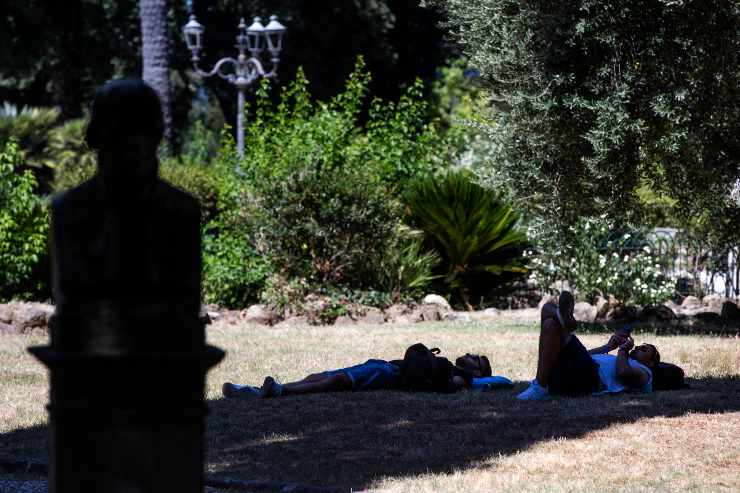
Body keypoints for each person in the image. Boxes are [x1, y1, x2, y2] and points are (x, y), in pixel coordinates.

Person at [517, 291, 660, 400]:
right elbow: (587, 356)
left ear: (651, 362)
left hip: (588, 379)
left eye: (644, 349)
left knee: (549, 313)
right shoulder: (623, 359)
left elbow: (622, 372)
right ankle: (563, 319)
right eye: (640, 346)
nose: (637, 348)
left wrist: (623, 350)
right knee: (548, 317)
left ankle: (566, 322)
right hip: (573, 373)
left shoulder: (645, 373)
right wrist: (607, 348)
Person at [223, 352, 492, 399]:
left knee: (339, 381)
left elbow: (493, 382)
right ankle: (266, 390)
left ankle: (279, 391)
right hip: (382, 366)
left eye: (474, 358)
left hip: (387, 374)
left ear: (476, 371)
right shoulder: (451, 367)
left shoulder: (462, 377)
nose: (469, 354)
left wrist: (471, 382)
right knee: (322, 374)